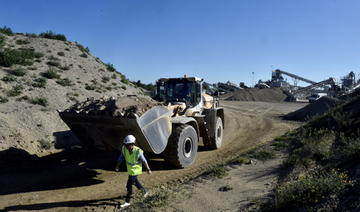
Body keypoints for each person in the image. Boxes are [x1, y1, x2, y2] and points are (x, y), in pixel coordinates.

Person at [115, 134, 152, 208]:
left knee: (129, 185)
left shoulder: (138, 151)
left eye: (128, 145)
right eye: (125, 144)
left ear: (132, 144)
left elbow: (144, 161)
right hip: (130, 170)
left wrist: (148, 169)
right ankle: (145, 192)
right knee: (135, 182)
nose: (126, 146)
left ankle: (127, 201)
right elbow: (120, 158)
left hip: (136, 170)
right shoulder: (124, 148)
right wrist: (117, 166)